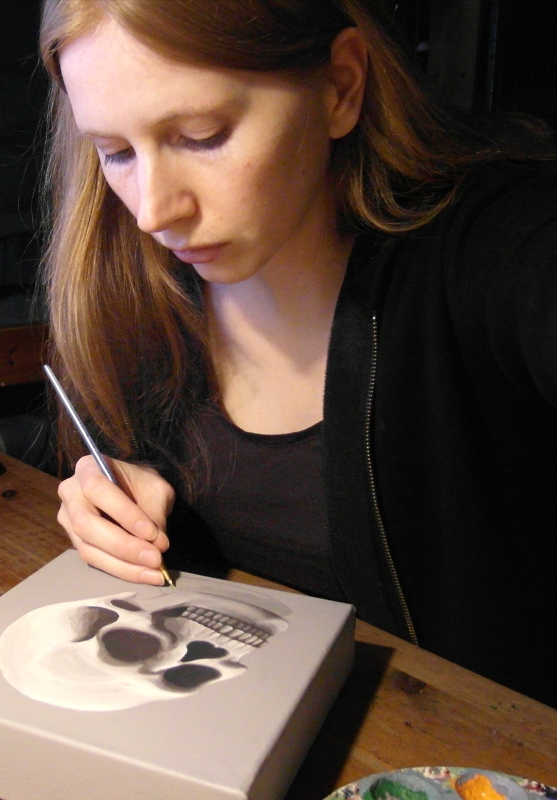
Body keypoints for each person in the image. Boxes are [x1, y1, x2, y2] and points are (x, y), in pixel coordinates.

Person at [37, 0, 557, 707]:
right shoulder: (134, 299)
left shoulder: (493, 248)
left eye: (201, 134)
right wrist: (111, 501)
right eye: (117, 153)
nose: (154, 211)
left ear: (340, 86)